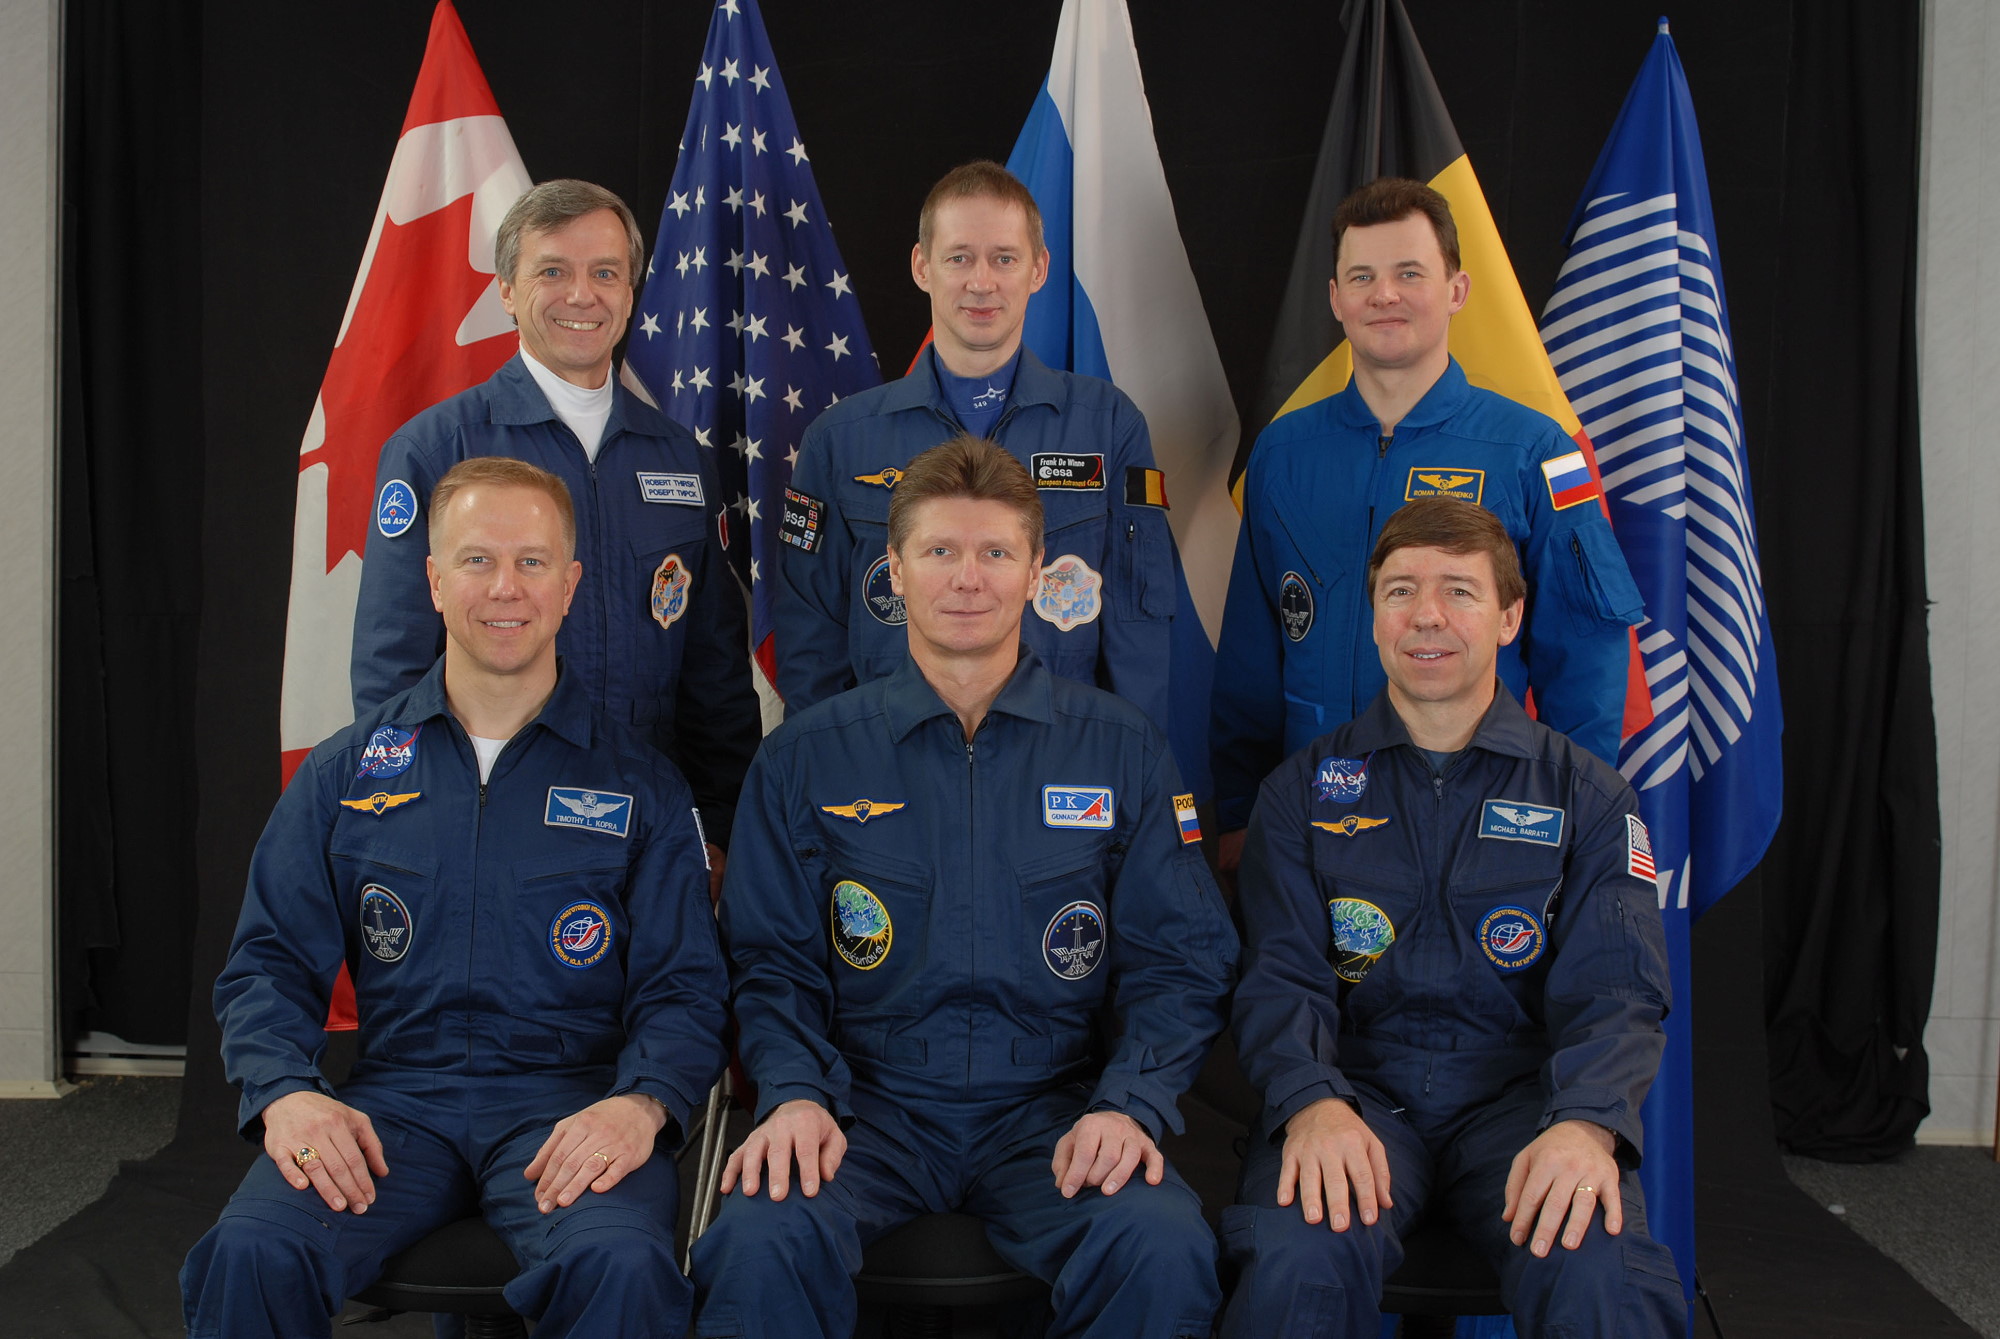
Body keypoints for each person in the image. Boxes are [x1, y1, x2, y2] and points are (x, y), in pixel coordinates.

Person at [693, 438, 1236, 1339]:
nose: (968, 578)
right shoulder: (805, 757)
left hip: (1051, 1110)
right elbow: (768, 960)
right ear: (895, 570)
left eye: (995, 552)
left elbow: (1181, 959)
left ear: (1036, 572)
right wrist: (793, 1091)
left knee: (1161, 1242)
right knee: (758, 1237)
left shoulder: (1120, 748)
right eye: (940, 550)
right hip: (862, 1108)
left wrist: (1129, 1101)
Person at [182, 458, 729, 1338]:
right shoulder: (347, 774)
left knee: (622, 1266)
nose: (505, 587)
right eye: (477, 560)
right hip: (396, 1105)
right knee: (252, 1250)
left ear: (569, 585)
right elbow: (267, 967)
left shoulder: (641, 787)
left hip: (571, 1105)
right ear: (434, 581)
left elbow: (685, 989)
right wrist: (285, 1090)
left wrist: (642, 1101)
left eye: (531, 561)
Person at [1219, 497, 1683, 1336]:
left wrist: (1586, 1121)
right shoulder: (1299, 794)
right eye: (1400, 590)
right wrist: (1312, 1101)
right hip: (1355, 1094)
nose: (1426, 614)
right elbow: (1278, 979)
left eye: (1459, 591)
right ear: (1373, 617)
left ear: (1509, 617)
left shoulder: (1587, 796)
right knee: (1297, 1256)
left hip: (1523, 1105)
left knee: (1602, 1272)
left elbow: (1618, 995)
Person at [1211, 176, 1645, 874]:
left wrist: (1577, 815)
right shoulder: (1282, 454)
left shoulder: (1536, 451)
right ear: (1336, 298)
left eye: (1410, 273)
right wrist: (1239, 813)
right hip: (1311, 820)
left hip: (1479, 821)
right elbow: (1249, 660)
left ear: (1457, 290)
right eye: (1363, 276)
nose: (1385, 294)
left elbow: (1584, 658)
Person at [351, 178, 757, 886]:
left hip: (651, 837)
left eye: (605, 273)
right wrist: (425, 829)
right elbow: (394, 672)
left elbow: (714, 673)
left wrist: (721, 828)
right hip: (490, 835)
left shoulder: (679, 460)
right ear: (507, 290)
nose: (582, 295)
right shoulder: (438, 449)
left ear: (630, 292)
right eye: (552, 272)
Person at [774, 161, 1184, 742]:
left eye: (1004, 258)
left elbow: (1138, 632)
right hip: (890, 758)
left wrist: (1136, 768)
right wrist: (825, 769)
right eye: (959, 257)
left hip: (1061, 755)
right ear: (922, 266)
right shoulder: (840, 441)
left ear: (1039, 269)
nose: (982, 282)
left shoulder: (1107, 427)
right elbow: (810, 645)